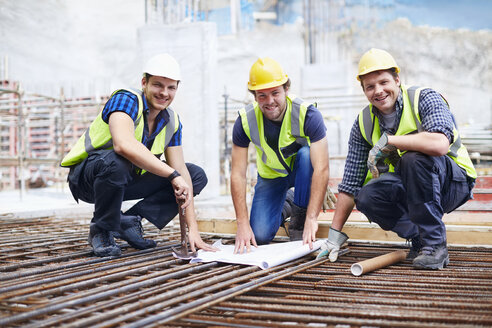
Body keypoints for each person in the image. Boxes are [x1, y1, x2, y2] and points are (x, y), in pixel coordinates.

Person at [317, 48, 476, 269]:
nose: (378, 91)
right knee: (366, 196)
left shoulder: (424, 98)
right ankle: (420, 236)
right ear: (363, 90)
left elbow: (440, 144)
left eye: (384, 82)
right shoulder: (363, 123)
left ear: (397, 79)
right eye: (370, 87)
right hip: (414, 188)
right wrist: (334, 235)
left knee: (413, 159)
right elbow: (351, 183)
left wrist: (392, 141)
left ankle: (435, 246)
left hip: (453, 183)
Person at [61, 53, 217, 257]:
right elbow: (122, 145)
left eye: (171, 87)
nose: (164, 93)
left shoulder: (172, 121)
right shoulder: (126, 100)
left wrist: (193, 231)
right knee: (119, 161)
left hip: (123, 181)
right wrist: (172, 175)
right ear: (144, 82)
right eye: (158, 85)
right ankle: (102, 228)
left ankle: (128, 222)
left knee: (194, 176)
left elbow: (181, 171)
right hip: (88, 178)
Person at [231, 57, 334, 254]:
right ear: (254, 96)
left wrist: (312, 218)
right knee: (259, 235)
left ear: (286, 89)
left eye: (275, 93)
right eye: (262, 95)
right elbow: (237, 174)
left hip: (304, 173)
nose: (270, 101)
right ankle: (289, 201)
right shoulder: (245, 121)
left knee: (306, 155)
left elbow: (321, 167)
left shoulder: (308, 114)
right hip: (272, 177)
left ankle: (299, 220)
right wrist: (242, 223)